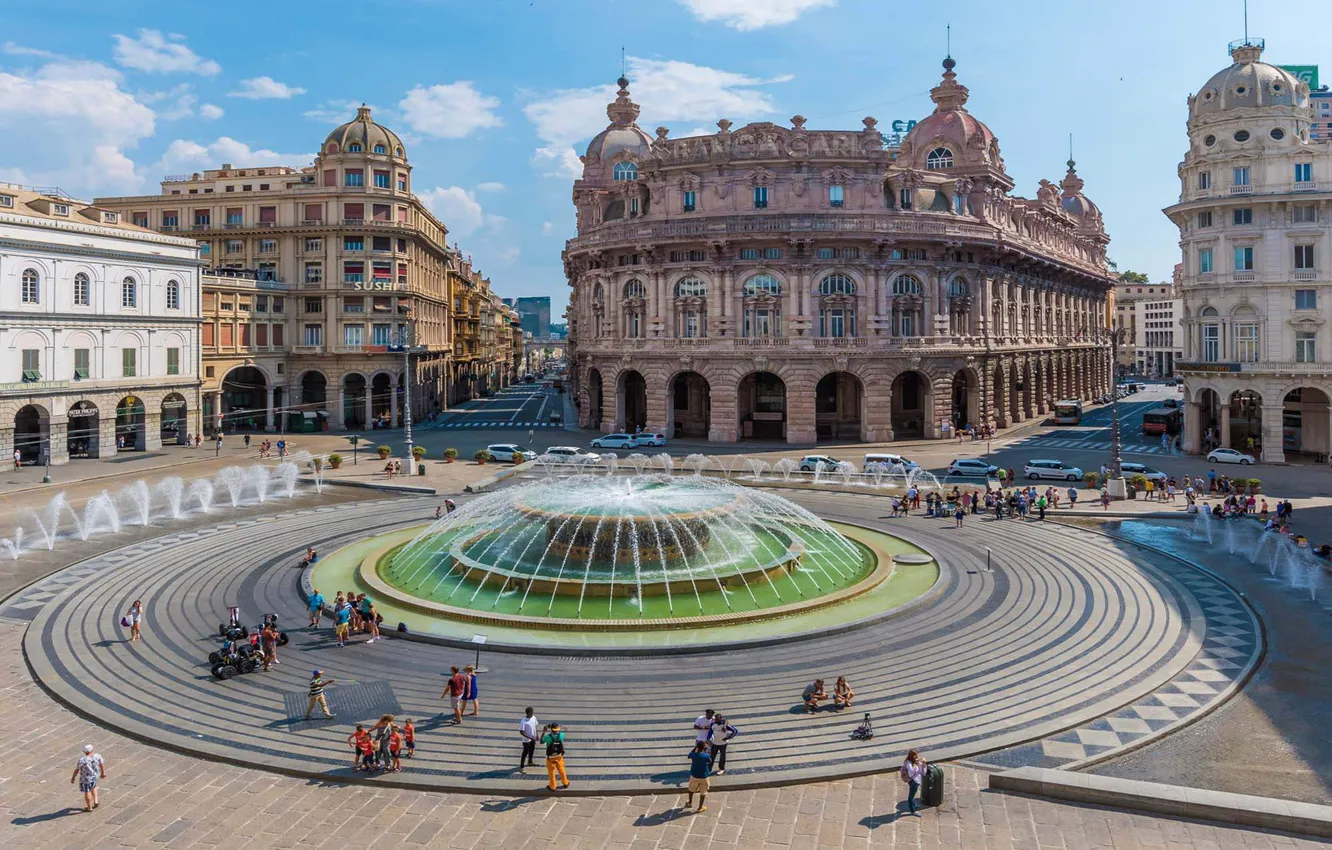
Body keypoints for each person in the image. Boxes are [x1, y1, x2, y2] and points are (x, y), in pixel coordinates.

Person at [71, 744, 106, 812]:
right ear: (92, 750)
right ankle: (96, 801)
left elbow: (77, 770)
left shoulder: (82, 760)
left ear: (84, 752)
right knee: (94, 786)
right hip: (95, 775)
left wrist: (73, 777)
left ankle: (89, 807)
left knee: (87, 791)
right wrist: (102, 773)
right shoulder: (97, 756)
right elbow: (101, 765)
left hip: (86, 778)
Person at [542, 722, 570, 791]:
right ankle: (565, 782)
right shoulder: (561, 735)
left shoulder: (547, 737)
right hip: (559, 756)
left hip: (550, 758)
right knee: (561, 770)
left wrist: (543, 732)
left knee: (551, 773)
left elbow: (541, 741)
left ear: (551, 729)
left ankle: (552, 786)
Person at [686, 741, 712, 813]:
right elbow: (710, 761)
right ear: (704, 747)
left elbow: (688, 755)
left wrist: (695, 747)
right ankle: (700, 807)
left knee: (691, 789)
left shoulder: (693, 755)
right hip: (704, 776)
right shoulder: (706, 756)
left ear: (697, 747)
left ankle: (689, 803)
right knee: (703, 792)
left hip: (694, 775)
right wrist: (706, 751)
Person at [901, 749, 927, 815]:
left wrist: (923, 764)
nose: (916, 757)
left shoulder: (917, 762)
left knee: (913, 795)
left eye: (917, 755)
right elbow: (911, 774)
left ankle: (913, 806)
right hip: (913, 781)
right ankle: (913, 811)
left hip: (917, 781)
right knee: (911, 797)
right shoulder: (909, 763)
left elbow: (924, 773)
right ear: (911, 756)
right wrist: (917, 767)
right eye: (915, 756)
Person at [519, 707, 540, 772]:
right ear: (527, 713)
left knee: (532, 750)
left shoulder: (534, 718)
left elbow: (535, 726)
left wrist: (537, 734)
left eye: (532, 712)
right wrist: (529, 737)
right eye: (531, 713)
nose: (532, 714)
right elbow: (521, 732)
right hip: (526, 740)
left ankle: (530, 762)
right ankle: (521, 767)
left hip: (533, 738)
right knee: (525, 753)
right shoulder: (523, 721)